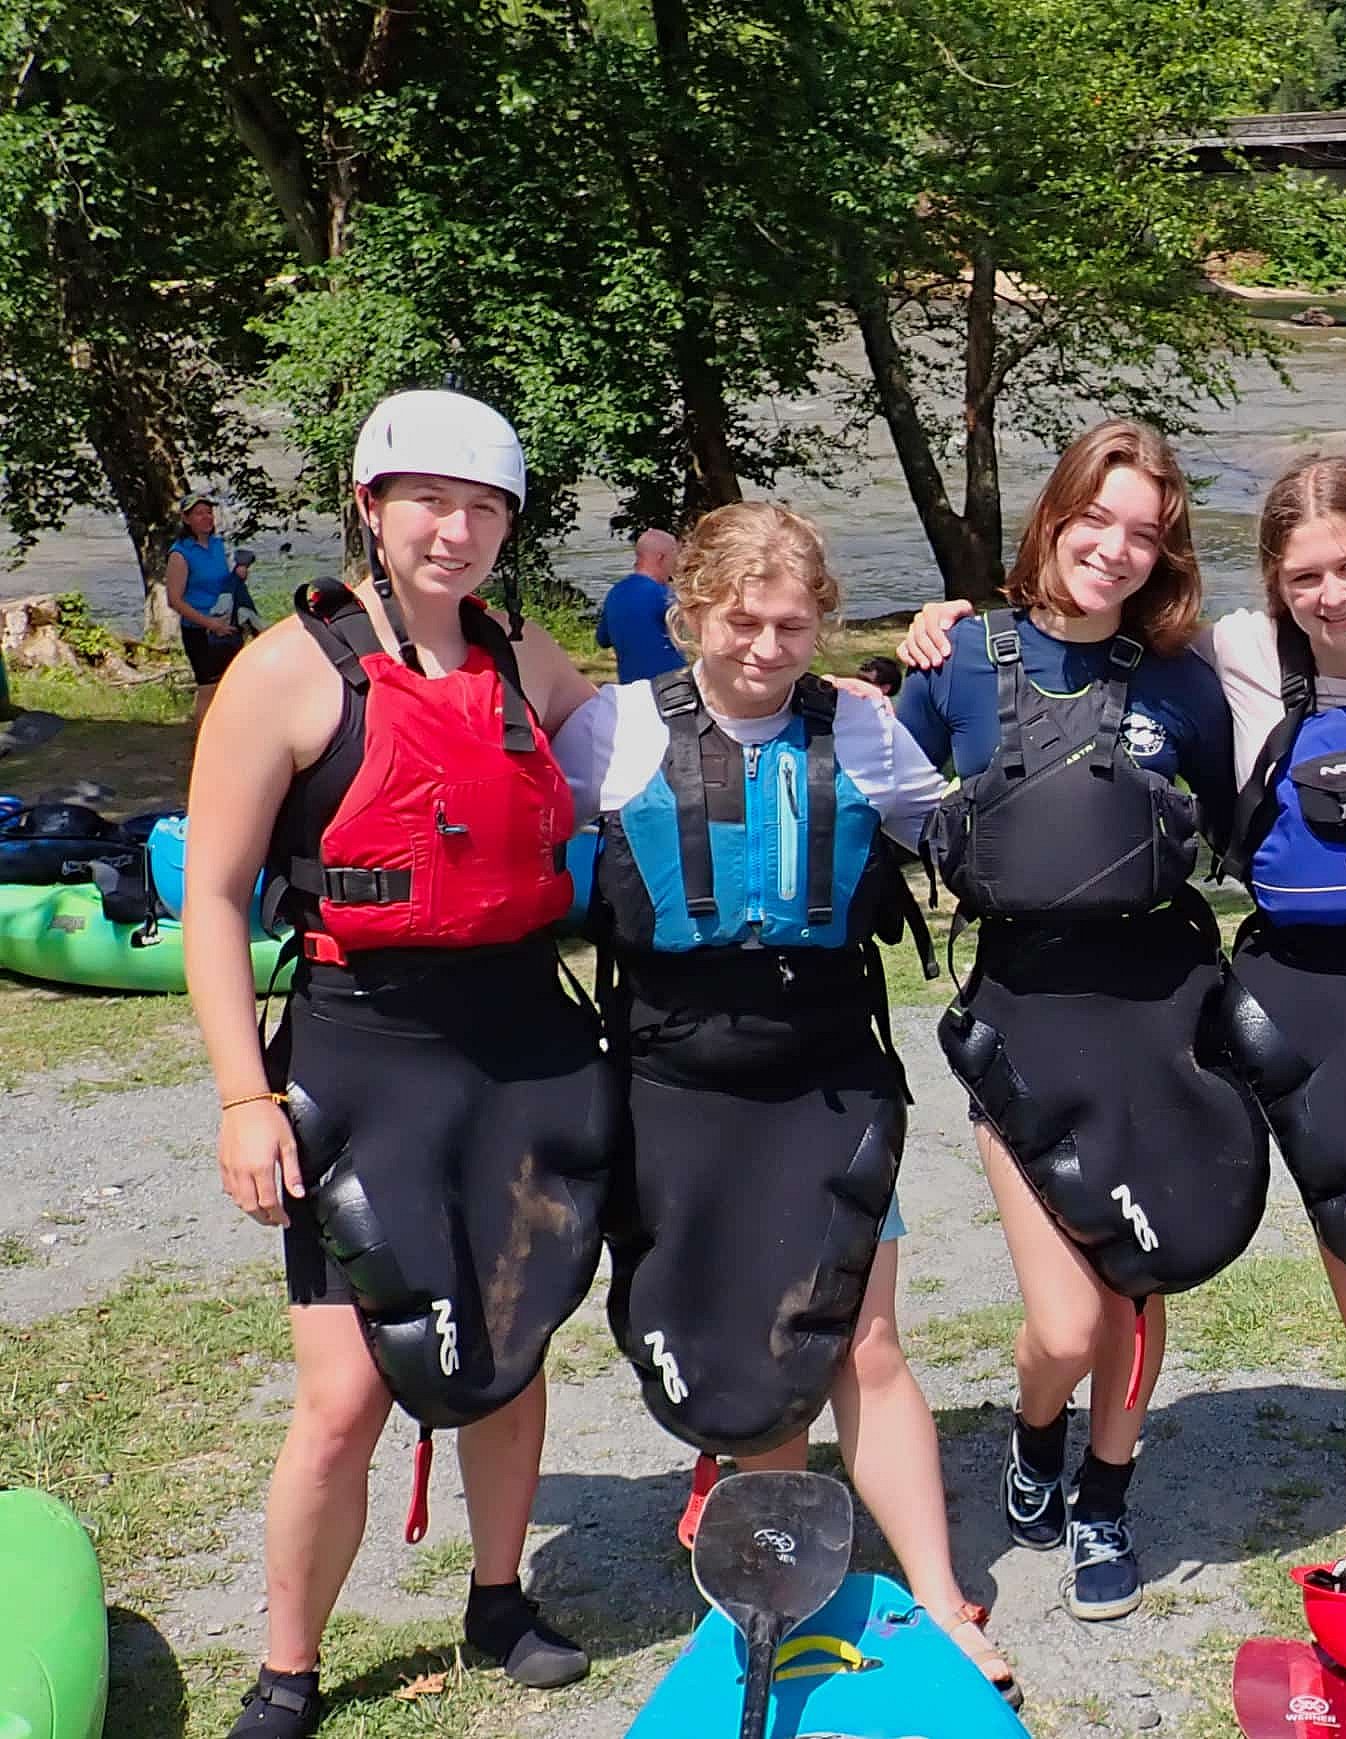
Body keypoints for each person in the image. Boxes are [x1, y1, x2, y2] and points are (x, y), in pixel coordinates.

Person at [898, 457, 1346, 1567]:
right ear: (1269, 581)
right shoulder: (1227, 658)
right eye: (1304, 572)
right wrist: (942, 626)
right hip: (1303, 1003)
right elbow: (972, 724)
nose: (1332, 591)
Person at [182, 389, 614, 1738]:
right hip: (362, 1044)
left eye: (484, 506)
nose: (457, 527)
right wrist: (245, 1098)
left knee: (514, 1329)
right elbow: (212, 894)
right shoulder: (289, 668)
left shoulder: (530, 658)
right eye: (430, 498)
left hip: (525, 1042)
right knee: (346, 1387)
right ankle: (289, 1661)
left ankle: (499, 1594)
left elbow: (658, 747)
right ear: (370, 506)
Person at [553, 501, 1015, 1702]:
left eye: (793, 625)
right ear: (689, 613)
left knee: (862, 1338)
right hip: (672, 1078)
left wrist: (964, 652)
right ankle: (768, 1574)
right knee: (753, 1350)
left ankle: (939, 1591)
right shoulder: (613, 730)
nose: (766, 646)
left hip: (824, 1072)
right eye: (742, 621)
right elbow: (522, 856)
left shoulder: (858, 734)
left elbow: (977, 837)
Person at [895, 420, 1269, 1624]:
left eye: (1144, 533)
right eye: (1095, 519)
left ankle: (1106, 1490)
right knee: (1064, 1318)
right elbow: (869, 784)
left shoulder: (1182, 684)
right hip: (1021, 1014)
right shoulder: (956, 662)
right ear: (1053, 515)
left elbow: (1232, 823)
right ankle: (1036, 1424)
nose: (1114, 549)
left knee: (1137, 1279)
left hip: (1162, 1012)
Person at [165, 492, 245, 724]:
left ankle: (227, 737)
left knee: (229, 686)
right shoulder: (180, 554)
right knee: (208, 688)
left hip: (226, 624)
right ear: (186, 519)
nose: (206, 517)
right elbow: (174, 600)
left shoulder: (218, 546)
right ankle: (203, 745)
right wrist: (210, 624)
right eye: (199, 513)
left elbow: (223, 584)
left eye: (209, 512)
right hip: (200, 630)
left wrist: (238, 575)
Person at [598, 528, 685, 684]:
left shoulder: (614, 593)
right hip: (672, 686)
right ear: (661, 558)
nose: (677, 563)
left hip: (632, 688)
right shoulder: (664, 595)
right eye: (675, 557)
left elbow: (602, 639)